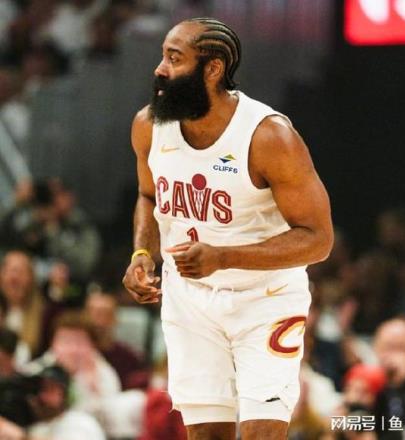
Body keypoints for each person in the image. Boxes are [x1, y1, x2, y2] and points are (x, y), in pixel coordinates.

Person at [122, 17, 334, 440]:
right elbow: (148, 197)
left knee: (261, 433)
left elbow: (318, 239)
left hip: (265, 300)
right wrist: (142, 254)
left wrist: (223, 257)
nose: (160, 69)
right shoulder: (149, 125)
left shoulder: (268, 136)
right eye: (163, 56)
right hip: (190, 300)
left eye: (175, 59)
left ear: (213, 68)